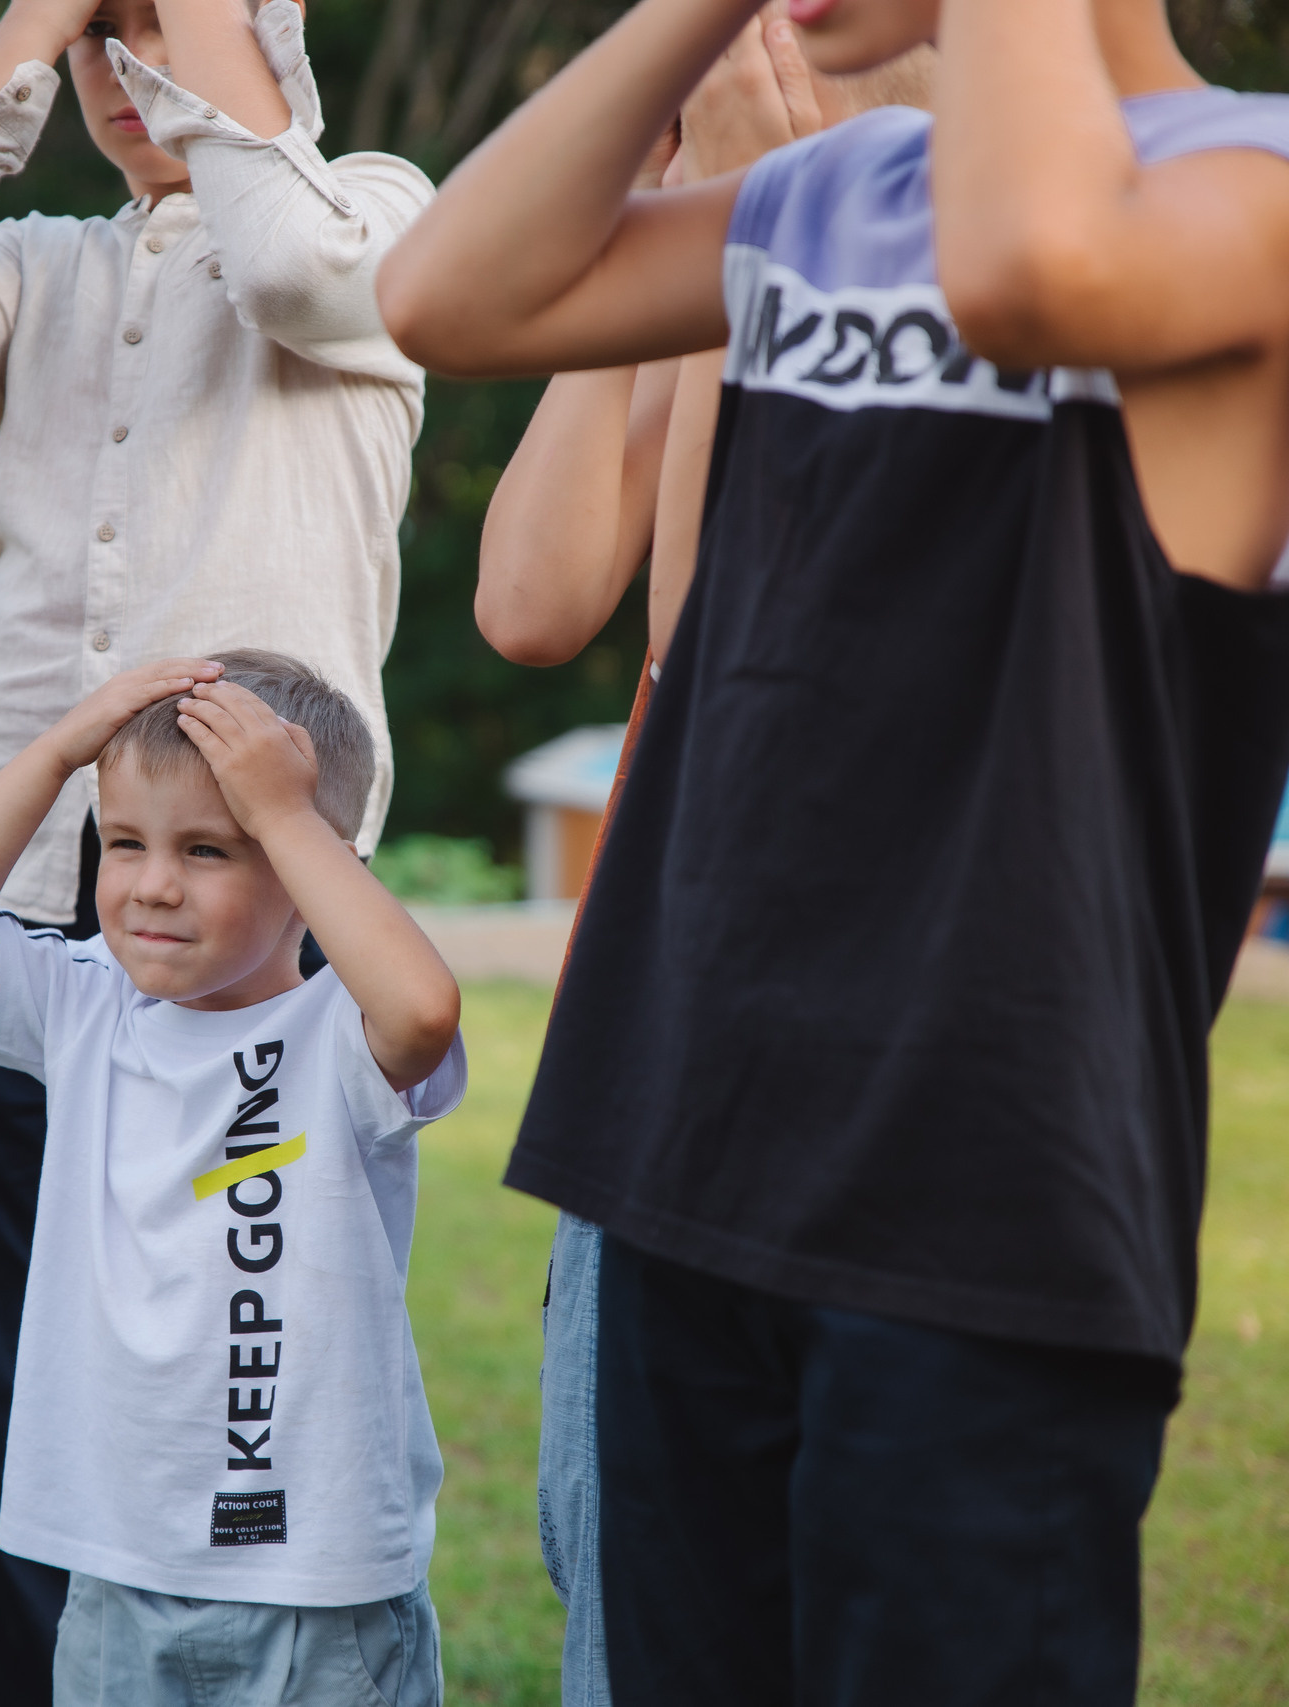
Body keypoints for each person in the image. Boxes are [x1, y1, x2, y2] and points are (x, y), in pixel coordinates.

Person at [380, 0, 1289, 1700]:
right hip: (692, 1152)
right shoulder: (826, 196)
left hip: (988, 1206)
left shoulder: (1273, 178)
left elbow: (1029, 275)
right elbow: (448, 296)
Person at [0, 3, 434, 1694]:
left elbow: (294, 278)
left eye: (167, 31)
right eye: (107, 43)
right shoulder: (50, 265)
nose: (127, 75)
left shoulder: (378, 209)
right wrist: (27, 34)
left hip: (256, 950)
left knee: (237, 1392)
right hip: (14, 912)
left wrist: (193, 36)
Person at [475, 18, 932, 1702]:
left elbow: (737, 635)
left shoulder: (939, 219)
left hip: (843, 1024)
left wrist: (759, 207)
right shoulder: (720, 227)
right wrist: (638, 267)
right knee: (621, 1568)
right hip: (658, 1021)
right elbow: (529, 603)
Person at [0, 648, 466, 1707]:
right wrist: (64, 747)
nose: (153, 884)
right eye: (127, 843)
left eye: (209, 849)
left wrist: (286, 817)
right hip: (118, 1567)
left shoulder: (342, 1032)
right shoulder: (85, 1008)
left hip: (316, 1584)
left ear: (311, 866)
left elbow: (426, 1011)